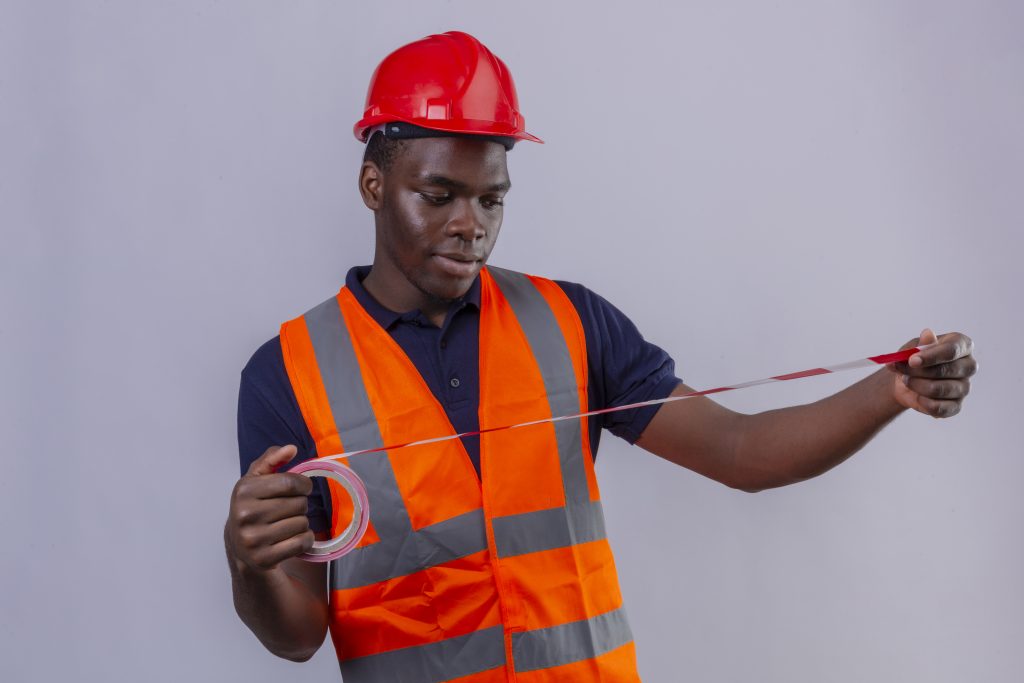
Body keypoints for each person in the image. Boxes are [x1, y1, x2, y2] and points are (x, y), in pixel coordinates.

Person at [224, 31, 976, 682]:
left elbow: (744, 451)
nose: (470, 226)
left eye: (491, 200)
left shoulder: (570, 322)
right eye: (440, 194)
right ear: (373, 184)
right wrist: (248, 562)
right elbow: (297, 634)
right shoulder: (289, 371)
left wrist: (890, 391)